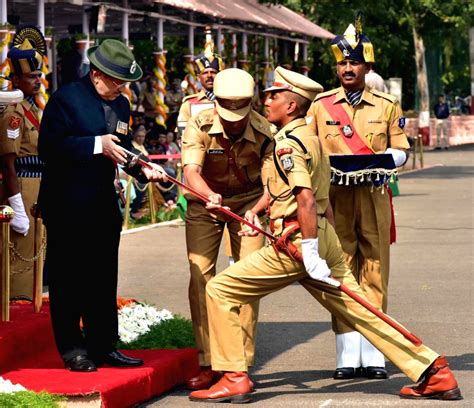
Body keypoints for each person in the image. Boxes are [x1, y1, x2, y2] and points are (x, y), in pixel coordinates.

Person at [188, 66, 462, 404]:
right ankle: (434, 370)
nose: (266, 100)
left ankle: (233, 375)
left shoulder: (287, 144)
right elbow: (322, 195)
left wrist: (310, 248)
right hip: (321, 235)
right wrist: (322, 239)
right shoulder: (310, 137)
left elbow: (304, 197)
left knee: (219, 289)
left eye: (274, 95)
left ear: (291, 105)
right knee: (361, 309)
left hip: (296, 242)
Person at [38, 39, 166, 372]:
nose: (121, 87)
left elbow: (123, 149)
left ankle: (103, 344)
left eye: (125, 82)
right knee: (68, 279)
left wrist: (144, 168)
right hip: (67, 203)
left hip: (101, 204)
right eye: (116, 81)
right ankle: (73, 348)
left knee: (102, 277)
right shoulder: (65, 100)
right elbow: (49, 149)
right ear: (96, 74)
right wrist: (97, 145)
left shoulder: (121, 105)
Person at [306, 22, 410, 380]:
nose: (347, 69)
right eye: (342, 64)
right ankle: (347, 351)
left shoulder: (387, 104)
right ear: (336, 68)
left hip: (374, 196)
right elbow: (307, 148)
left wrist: (382, 160)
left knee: (376, 270)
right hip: (335, 199)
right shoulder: (321, 107)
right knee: (341, 270)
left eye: (354, 64)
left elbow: (402, 151)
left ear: (367, 68)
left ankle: (375, 351)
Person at [181, 68, 273, 390]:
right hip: (205, 204)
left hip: (250, 207)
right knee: (201, 278)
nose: (234, 121)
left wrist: (256, 212)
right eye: (228, 112)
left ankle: (239, 366)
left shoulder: (265, 132)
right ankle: (208, 362)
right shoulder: (200, 123)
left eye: (240, 113)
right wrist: (208, 195)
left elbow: (272, 184)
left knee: (248, 279)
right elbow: (190, 170)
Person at [0, 25, 46, 299]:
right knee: (21, 247)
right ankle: (16, 302)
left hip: (37, 183)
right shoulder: (13, 113)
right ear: (15, 80)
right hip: (22, 184)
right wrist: (15, 204)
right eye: (31, 77)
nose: (38, 81)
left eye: (39, 75)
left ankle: (28, 299)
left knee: (35, 246)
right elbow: (7, 161)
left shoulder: (30, 108)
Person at [176, 52, 224, 132]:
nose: (209, 75)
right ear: (198, 78)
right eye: (205, 73)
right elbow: (182, 136)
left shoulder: (230, 101)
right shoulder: (189, 104)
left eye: (213, 72)